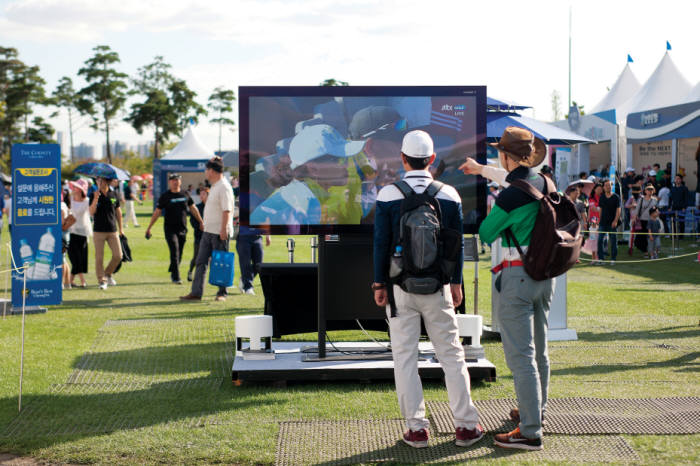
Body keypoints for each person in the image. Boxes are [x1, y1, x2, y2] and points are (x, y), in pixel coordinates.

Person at [373, 130, 482, 449]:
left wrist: (379, 282)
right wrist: (457, 283)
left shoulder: (387, 194)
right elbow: (456, 244)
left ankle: (417, 430)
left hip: (399, 287)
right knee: (451, 354)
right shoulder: (450, 194)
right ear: (432, 159)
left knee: (404, 357)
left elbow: (380, 244)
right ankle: (465, 427)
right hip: (440, 288)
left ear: (403, 159)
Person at [471, 126, 552, 451]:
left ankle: (530, 431)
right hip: (547, 275)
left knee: (521, 357)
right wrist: (481, 170)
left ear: (505, 155)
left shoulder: (509, 194)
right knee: (540, 352)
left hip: (517, 277)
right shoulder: (546, 181)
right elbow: (516, 181)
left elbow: (487, 232)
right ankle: (536, 412)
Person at [181, 156, 234, 302]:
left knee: (221, 263)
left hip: (219, 232)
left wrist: (224, 230)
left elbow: (227, 210)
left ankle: (222, 293)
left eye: (207, 169)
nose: (205, 172)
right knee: (201, 261)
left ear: (212, 171)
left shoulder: (224, 187)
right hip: (208, 231)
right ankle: (196, 293)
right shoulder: (215, 186)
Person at [145, 173, 203, 284]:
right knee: (174, 251)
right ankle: (176, 277)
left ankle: (173, 269)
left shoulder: (185, 194)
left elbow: (193, 208)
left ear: (180, 182)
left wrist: (201, 221)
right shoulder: (165, 196)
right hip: (169, 229)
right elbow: (157, 212)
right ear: (169, 182)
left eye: (177, 180)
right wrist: (149, 227)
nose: (175, 182)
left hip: (182, 229)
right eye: (173, 180)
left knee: (179, 253)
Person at [89, 176, 123, 290]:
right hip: (98, 231)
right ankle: (102, 281)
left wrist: (121, 229)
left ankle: (107, 273)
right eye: (97, 180)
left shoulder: (114, 195)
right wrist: (95, 199)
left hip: (112, 230)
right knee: (99, 258)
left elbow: (118, 212)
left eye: (101, 180)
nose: (99, 182)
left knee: (118, 256)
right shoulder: (93, 195)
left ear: (107, 181)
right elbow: (91, 212)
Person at [67, 179, 91, 288]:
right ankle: (80, 281)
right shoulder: (70, 199)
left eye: (77, 187)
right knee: (74, 257)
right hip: (71, 231)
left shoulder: (87, 201)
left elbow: (84, 213)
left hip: (83, 232)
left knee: (80, 258)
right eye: (74, 186)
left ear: (81, 190)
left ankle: (71, 281)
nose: (74, 189)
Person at [236, 228, 271, 295]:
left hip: (257, 237)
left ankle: (244, 278)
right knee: (245, 264)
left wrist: (268, 235)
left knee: (259, 264)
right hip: (243, 237)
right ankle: (248, 287)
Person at [597, 179, 621, 264]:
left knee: (613, 241)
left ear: (612, 186)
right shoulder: (602, 197)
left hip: (612, 223)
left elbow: (618, 210)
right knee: (600, 240)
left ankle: (613, 259)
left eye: (609, 185)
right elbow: (600, 209)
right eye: (606, 185)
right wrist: (599, 220)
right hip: (603, 223)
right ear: (603, 187)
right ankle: (601, 258)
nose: (608, 187)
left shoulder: (616, 197)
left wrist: (615, 221)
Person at [187, 186, 208, 282]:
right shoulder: (197, 208)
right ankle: (190, 271)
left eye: (204, 194)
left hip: (211, 236)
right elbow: (192, 220)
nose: (202, 196)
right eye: (201, 194)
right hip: (199, 236)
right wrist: (199, 226)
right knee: (197, 257)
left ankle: (210, 277)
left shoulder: (213, 208)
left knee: (211, 258)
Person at [631, 184, 657, 255]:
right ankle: (645, 251)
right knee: (641, 238)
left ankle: (651, 251)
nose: (650, 191)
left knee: (651, 237)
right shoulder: (641, 199)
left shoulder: (654, 200)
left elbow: (656, 211)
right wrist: (634, 219)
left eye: (651, 189)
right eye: (648, 189)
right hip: (642, 220)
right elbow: (637, 210)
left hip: (651, 221)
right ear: (645, 191)